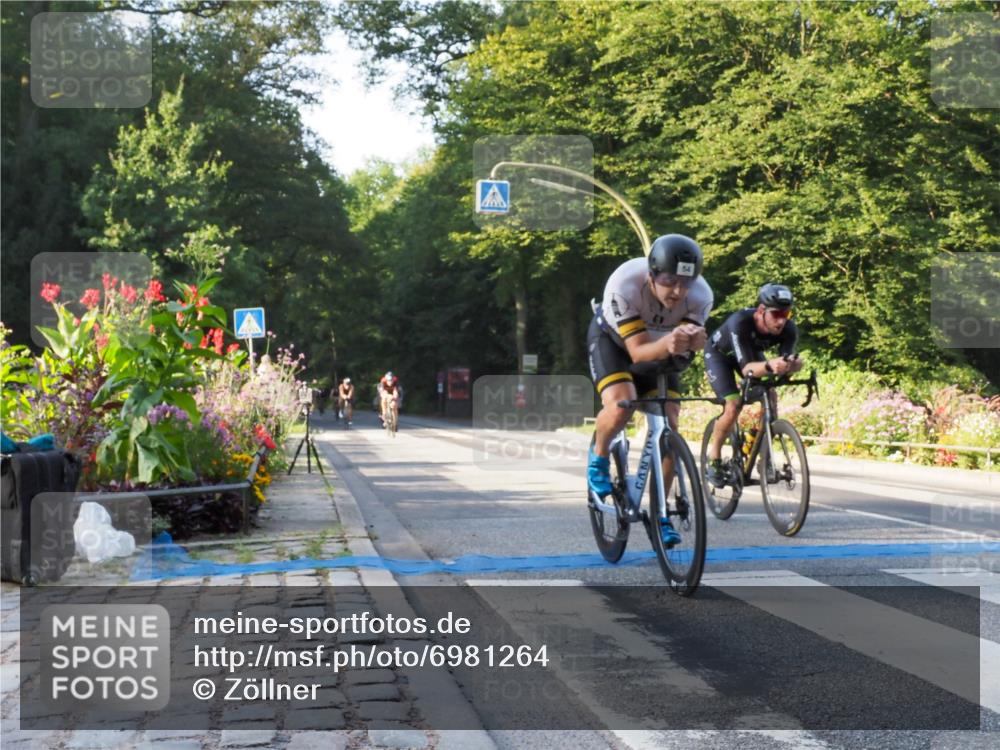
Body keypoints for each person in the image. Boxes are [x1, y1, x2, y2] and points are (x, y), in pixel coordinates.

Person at [587, 234, 713, 546]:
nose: (678, 291)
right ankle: (599, 458)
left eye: (686, 282)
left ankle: (661, 513)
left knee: (670, 422)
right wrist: (672, 344)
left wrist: (692, 346)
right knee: (621, 405)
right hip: (615, 344)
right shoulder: (624, 285)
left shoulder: (702, 296)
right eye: (670, 281)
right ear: (651, 275)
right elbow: (638, 353)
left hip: (661, 347)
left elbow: (680, 355)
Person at [703, 283, 804, 487]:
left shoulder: (788, 328)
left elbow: (784, 361)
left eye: (786, 313)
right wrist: (769, 365)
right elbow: (748, 368)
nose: (782, 320)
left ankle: (760, 450)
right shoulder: (740, 322)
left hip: (750, 354)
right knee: (733, 405)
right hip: (720, 356)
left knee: (771, 395)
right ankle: (713, 458)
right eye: (776, 314)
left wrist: (793, 365)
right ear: (761, 311)